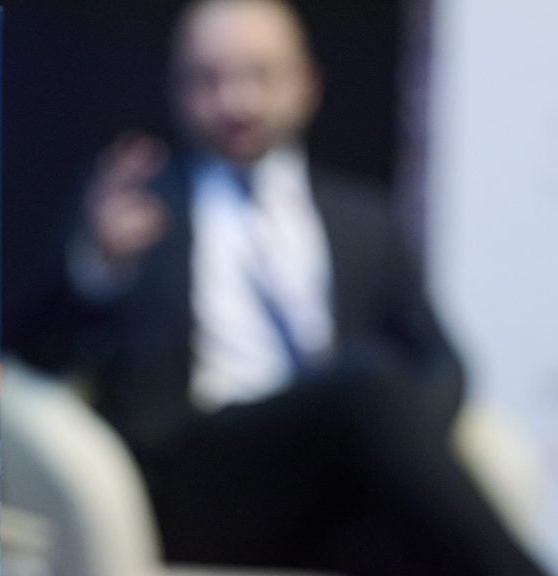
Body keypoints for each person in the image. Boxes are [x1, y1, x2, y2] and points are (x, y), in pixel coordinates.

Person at [59, 0, 547, 574]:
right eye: (209, 79)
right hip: (196, 479)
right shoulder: (135, 211)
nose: (236, 100)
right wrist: (97, 265)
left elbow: (442, 364)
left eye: (260, 75)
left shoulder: (365, 220)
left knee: (392, 502)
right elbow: (36, 354)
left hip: (331, 482)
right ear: (176, 88)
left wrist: (401, 434)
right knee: (364, 383)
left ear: (306, 84)